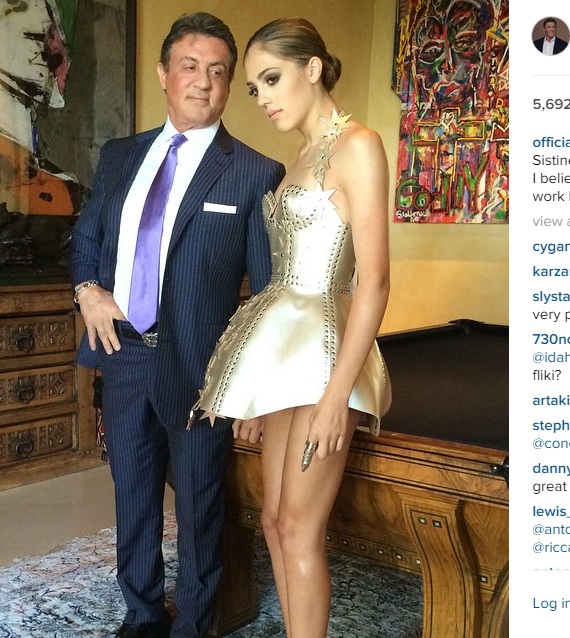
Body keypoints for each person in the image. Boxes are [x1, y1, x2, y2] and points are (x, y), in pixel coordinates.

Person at [68, 12, 284, 638]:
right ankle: (141, 616)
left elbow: (268, 293)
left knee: (199, 504)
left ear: (228, 84)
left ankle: (193, 624)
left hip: (201, 368)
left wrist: (251, 390)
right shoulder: (120, 156)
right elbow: (86, 238)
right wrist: (87, 290)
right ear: (165, 73)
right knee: (132, 495)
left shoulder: (255, 172)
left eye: (218, 71)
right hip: (123, 351)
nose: (203, 81)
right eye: (190, 66)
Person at [194, 17, 391, 638]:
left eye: (272, 79)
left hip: (326, 357)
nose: (263, 98)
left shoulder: (358, 145)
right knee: (275, 523)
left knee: (301, 530)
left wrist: (337, 396)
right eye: (254, 88)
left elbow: (374, 282)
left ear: (313, 67)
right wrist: (257, 394)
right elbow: (282, 286)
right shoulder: (299, 157)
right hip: (283, 356)